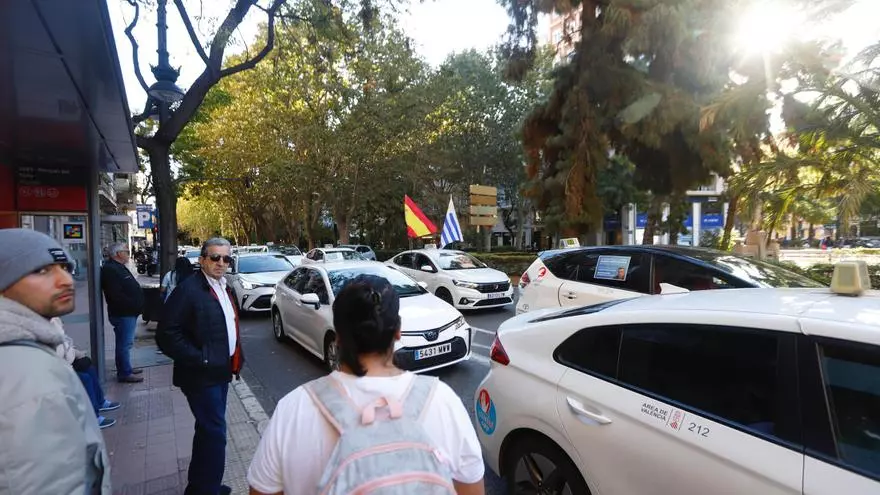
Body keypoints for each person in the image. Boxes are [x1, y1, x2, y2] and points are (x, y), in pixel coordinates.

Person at [247, 275, 485, 495]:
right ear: (398, 331)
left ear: (338, 336)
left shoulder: (294, 410)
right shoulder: (443, 401)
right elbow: (471, 489)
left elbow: (261, 490)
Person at [0, 228, 112, 494]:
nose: (66, 280)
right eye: (41, 271)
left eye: (64, 267)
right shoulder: (27, 372)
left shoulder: (31, 349)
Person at [157, 237, 244, 495]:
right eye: (215, 257)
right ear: (202, 259)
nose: (221, 263)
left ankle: (200, 486)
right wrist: (200, 358)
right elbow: (166, 334)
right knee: (215, 432)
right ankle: (208, 490)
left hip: (221, 371)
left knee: (207, 430)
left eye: (226, 258)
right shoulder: (189, 290)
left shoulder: (223, 286)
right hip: (201, 375)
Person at [52, 317, 121, 429]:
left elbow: (65, 346)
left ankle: (100, 401)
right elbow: (61, 354)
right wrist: (73, 354)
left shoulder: (53, 320)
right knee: (85, 378)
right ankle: (94, 417)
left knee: (87, 364)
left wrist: (75, 353)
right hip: (57, 369)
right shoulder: (47, 325)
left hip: (64, 363)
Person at [101, 242, 144, 383]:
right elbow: (115, 295)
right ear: (118, 254)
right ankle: (125, 372)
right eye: (126, 251)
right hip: (123, 313)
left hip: (128, 313)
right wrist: (132, 305)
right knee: (124, 344)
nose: (128, 254)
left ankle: (126, 367)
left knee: (126, 343)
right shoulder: (110, 269)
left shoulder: (119, 267)